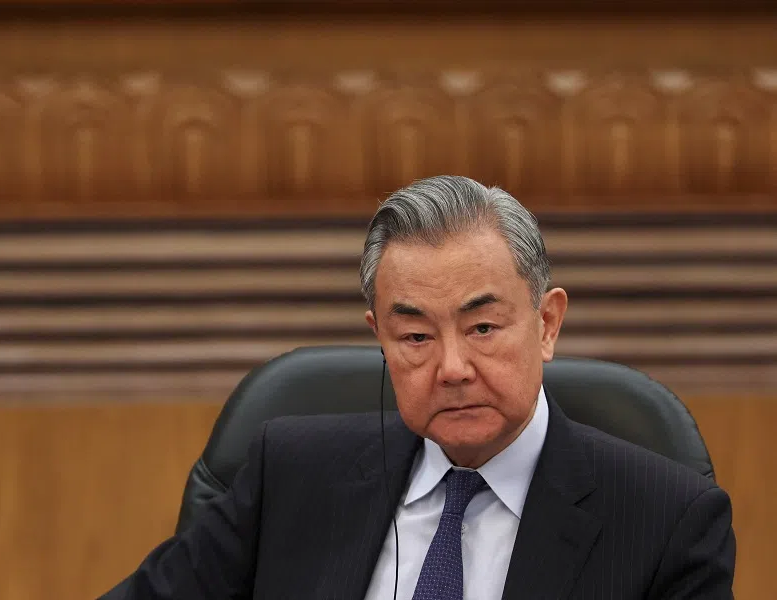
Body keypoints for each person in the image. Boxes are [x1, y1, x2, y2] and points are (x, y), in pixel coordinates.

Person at [100, 176, 735, 599]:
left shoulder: (667, 522)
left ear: (546, 324)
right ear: (379, 337)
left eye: (482, 327)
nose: (452, 368)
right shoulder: (290, 476)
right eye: (415, 337)